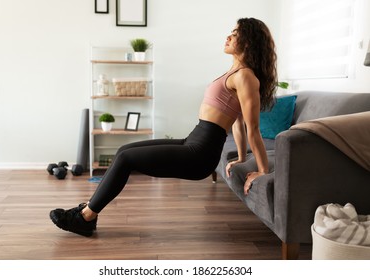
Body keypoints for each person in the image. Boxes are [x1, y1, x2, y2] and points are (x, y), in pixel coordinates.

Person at [50, 17, 278, 237]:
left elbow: (252, 127)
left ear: (248, 42)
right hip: (194, 140)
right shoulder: (234, 73)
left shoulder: (246, 77)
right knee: (123, 152)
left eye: (236, 34)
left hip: (201, 153)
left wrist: (262, 171)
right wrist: (239, 157)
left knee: (125, 160)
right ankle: (88, 209)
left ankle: (86, 217)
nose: (228, 36)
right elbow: (236, 122)